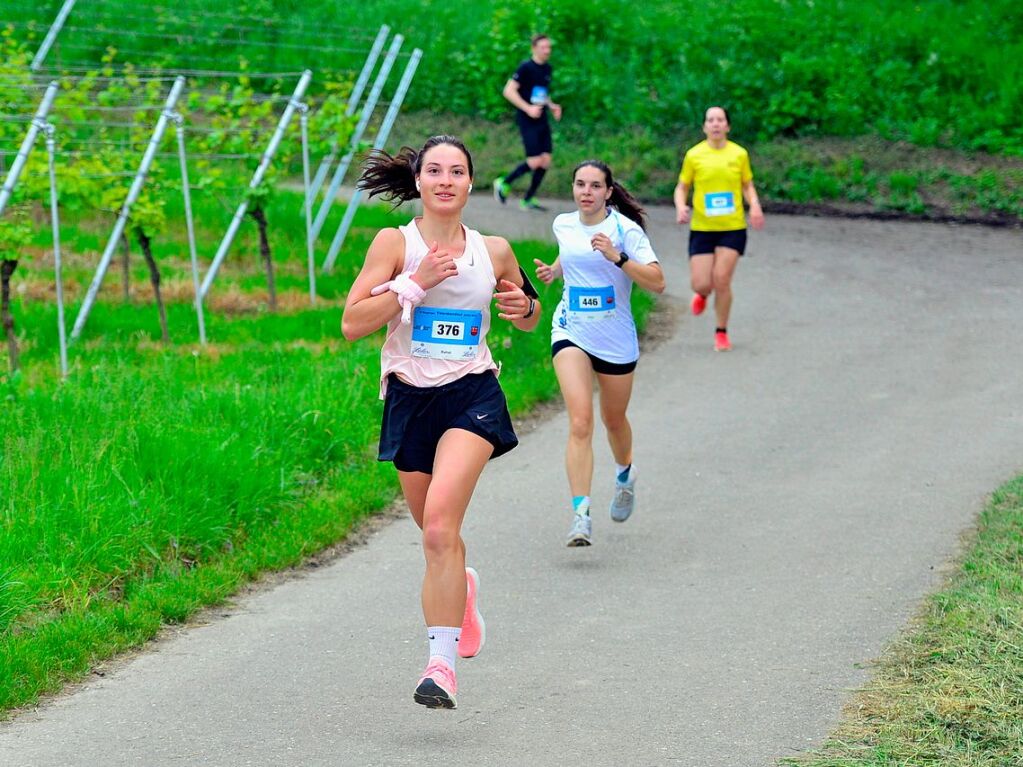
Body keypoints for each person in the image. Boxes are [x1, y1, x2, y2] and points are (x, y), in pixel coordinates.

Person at [342, 135, 542, 709]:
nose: (446, 180)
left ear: (471, 183)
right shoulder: (394, 244)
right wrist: (416, 281)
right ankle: (464, 588)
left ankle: (440, 667)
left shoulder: (494, 249)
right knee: (439, 538)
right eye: (436, 170)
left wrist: (524, 309)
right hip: (409, 399)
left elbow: (527, 310)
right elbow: (353, 323)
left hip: (471, 395)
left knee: (437, 528)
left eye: (457, 171)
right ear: (421, 182)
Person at [533, 160, 665, 546]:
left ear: (609, 191)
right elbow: (571, 251)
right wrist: (555, 271)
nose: (586, 192)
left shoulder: (626, 231)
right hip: (571, 329)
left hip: (615, 339)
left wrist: (618, 258)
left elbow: (658, 282)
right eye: (579, 184)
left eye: (594, 186)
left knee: (613, 419)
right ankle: (581, 515)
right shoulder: (563, 224)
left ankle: (625, 473)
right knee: (580, 421)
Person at [673, 106, 764, 351]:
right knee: (702, 283)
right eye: (710, 120)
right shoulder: (694, 155)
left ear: (727, 126)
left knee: (722, 279)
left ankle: (721, 331)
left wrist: (754, 205)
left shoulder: (739, 154)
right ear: (704, 127)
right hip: (702, 227)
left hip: (732, 226)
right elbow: (682, 187)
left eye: (720, 120)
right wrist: (681, 206)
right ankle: (702, 294)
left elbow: (747, 184)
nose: (715, 124)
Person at [493, 33, 562, 212]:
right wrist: (527, 108)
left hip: (542, 118)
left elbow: (542, 93)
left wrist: (552, 105)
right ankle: (503, 182)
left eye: (549, 47)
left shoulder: (547, 68)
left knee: (545, 160)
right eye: (543, 47)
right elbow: (508, 91)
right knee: (534, 161)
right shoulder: (525, 67)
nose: (547, 51)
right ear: (534, 49)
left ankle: (528, 199)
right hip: (527, 119)